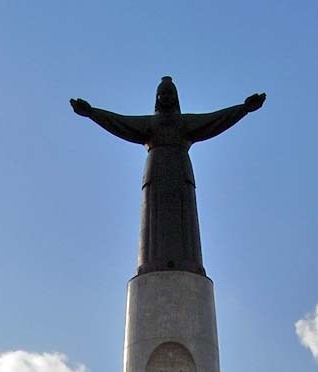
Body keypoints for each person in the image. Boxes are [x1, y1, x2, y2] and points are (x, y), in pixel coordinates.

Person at [70, 77, 266, 274]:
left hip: (180, 171)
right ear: (157, 97)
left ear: (176, 97)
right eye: (162, 93)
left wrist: (244, 109)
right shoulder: (150, 124)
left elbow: (216, 120)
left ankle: (188, 263)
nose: (166, 97)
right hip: (155, 172)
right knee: (153, 223)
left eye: (169, 93)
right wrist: (91, 113)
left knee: (184, 219)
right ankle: (152, 263)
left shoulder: (185, 123)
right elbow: (119, 123)